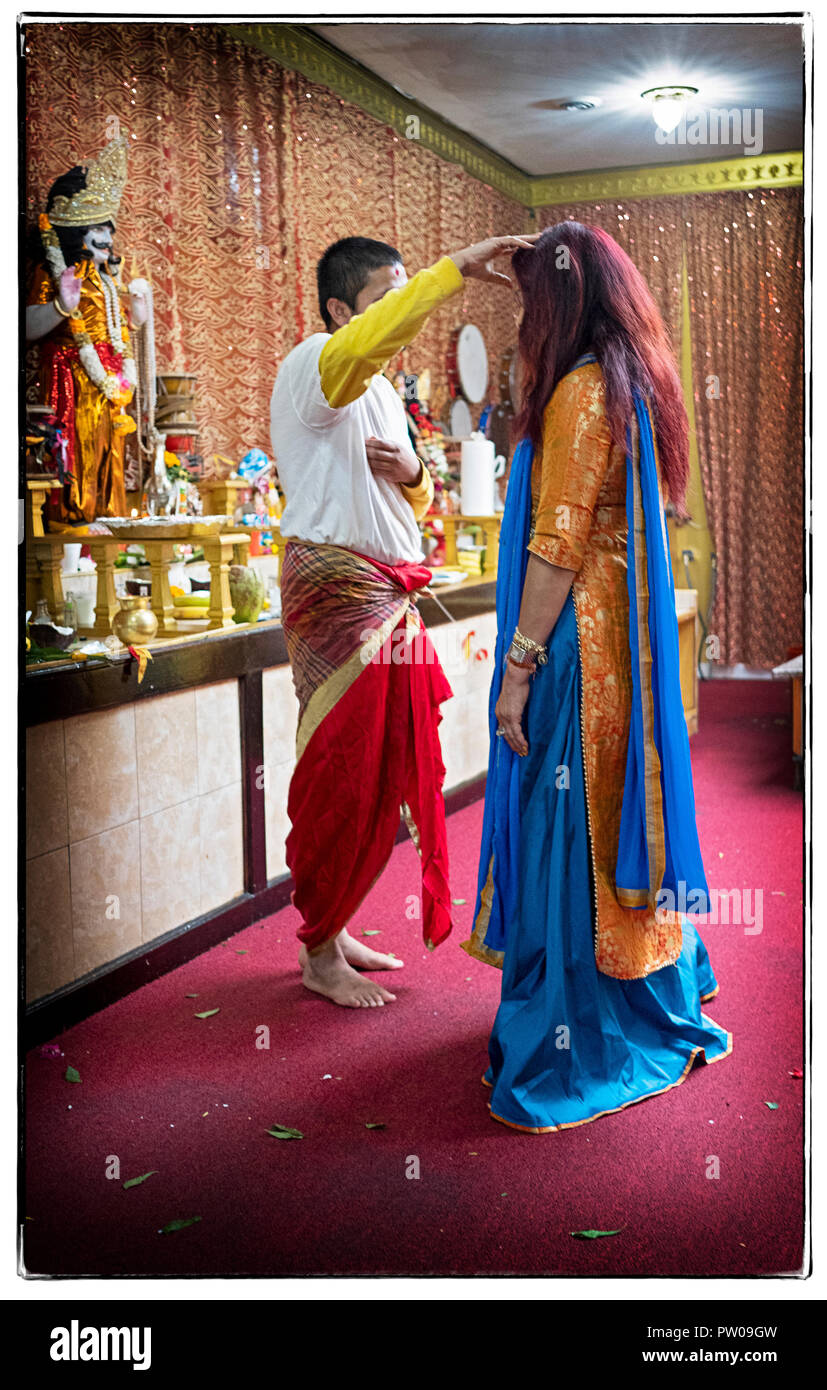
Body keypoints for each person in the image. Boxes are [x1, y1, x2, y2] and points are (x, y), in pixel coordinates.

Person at [463, 221, 732, 1130]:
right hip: (623, 633)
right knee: (612, 805)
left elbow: (554, 544)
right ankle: (645, 982)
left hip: (577, 638)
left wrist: (516, 666)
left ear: (562, 309)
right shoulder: (631, 379)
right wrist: (536, 270)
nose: (525, 328)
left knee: (566, 813)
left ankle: (581, 1024)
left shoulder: (581, 392)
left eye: (535, 307)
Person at [270, 232, 537, 1008]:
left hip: (387, 591)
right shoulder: (317, 362)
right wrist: (451, 272)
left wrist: (416, 471)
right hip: (340, 590)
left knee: (382, 771)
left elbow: (411, 494)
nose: (401, 317)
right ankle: (318, 950)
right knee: (340, 771)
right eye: (386, 298)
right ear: (338, 309)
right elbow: (372, 338)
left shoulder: (380, 388)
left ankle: (336, 923)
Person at [26, 135, 146, 529]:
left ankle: (106, 532)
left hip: (108, 381)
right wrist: (62, 305)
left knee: (108, 456)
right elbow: (24, 328)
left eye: (108, 229)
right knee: (77, 457)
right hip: (70, 376)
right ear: (77, 233)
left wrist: (139, 309)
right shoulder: (54, 270)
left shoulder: (107, 277)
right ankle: (71, 539)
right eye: (98, 229)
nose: (108, 238)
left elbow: (125, 329)